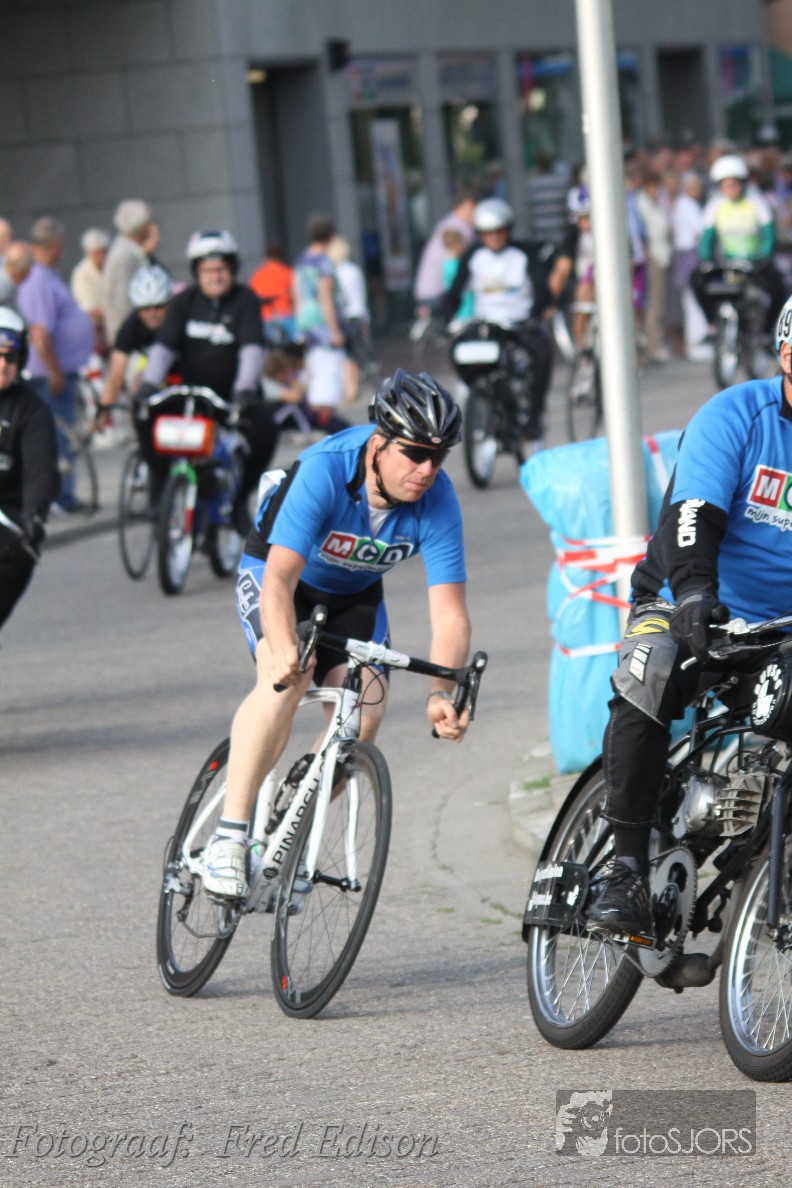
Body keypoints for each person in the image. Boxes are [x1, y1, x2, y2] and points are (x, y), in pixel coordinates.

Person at [200, 370, 471, 897]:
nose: (427, 470)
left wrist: (441, 693)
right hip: (282, 577)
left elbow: (450, 614)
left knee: (365, 714)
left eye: (439, 457)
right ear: (378, 443)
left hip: (354, 596)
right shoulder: (326, 469)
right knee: (287, 677)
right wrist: (281, 647)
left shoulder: (438, 499)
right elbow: (278, 581)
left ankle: (288, 836)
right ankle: (228, 838)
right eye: (416, 453)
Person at [586, 296, 792, 938]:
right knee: (648, 675)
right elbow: (692, 515)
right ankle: (623, 870)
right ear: (787, 355)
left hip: (782, 632)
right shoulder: (737, 415)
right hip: (686, 599)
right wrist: (697, 591)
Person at [137, 230, 276, 531]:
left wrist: (245, 389)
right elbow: (164, 347)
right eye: (208, 270)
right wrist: (149, 383)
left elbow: (252, 349)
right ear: (197, 272)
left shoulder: (245, 300)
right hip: (190, 397)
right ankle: (159, 487)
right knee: (143, 414)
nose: (215, 276)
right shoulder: (184, 302)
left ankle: (239, 501)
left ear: (232, 269)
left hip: (232, 398)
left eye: (221, 269)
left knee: (266, 431)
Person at [440, 197, 554, 450]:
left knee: (542, 354)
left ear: (508, 230)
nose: (494, 237)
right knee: (457, 348)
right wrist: (446, 318)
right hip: (486, 324)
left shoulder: (524, 254)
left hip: (519, 323)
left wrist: (534, 316)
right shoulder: (473, 256)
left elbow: (542, 291)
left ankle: (533, 420)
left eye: (499, 231)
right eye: (488, 233)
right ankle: (477, 395)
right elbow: (454, 292)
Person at [15, 218, 93, 513]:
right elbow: (40, 333)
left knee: (61, 433)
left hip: (57, 370)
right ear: (54, 245)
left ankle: (61, 492)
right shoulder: (37, 278)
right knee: (57, 435)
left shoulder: (45, 275)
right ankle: (60, 495)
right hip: (48, 373)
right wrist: (54, 372)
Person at [0, 308, 59, 631]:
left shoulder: (32, 410)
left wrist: (33, 516)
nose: (2, 365)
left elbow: (41, 470)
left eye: (9, 357)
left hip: (9, 523)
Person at [690, 154, 786, 332]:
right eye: (726, 185)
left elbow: (768, 234)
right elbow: (706, 238)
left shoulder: (755, 202)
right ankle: (712, 323)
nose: (731, 189)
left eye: (734, 184)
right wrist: (705, 259)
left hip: (755, 262)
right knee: (696, 279)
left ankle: (766, 332)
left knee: (779, 288)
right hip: (727, 262)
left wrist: (764, 256)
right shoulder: (715, 205)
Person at [96, 264, 173, 427]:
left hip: (180, 369)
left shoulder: (179, 317)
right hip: (151, 370)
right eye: (144, 308)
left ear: (169, 302)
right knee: (138, 386)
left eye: (158, 306)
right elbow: (116, 373)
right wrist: (104, 407)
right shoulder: (130, 327)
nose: (152, 313)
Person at [293, 214, 347, 422]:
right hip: (322, 322)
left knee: (315, 370)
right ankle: (325, 421)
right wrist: (335, 330)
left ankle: (317, 419)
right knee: (328, 372)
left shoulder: (302, 259)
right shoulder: (324, 261)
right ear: (331, 235)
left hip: (305, 320)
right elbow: (325, 295)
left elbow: (296, 292)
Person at [326, 234, 375, 402]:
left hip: (345, 316)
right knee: (360, 353)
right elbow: (361, 295)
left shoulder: (334, 273)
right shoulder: (354, 270)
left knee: (348, 354)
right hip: (359, 313)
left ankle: (351, 388)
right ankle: (355, 387)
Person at [262, 347, 349, 439]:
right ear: (279, 373)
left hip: (306, 417)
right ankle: (309, 433)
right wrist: (292, 383)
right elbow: (295, 397)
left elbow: (302, 390)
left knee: (338, 424)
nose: (288, 374)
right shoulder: (269, 385)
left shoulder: (279, 383)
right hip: (288, 421)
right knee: (293, 407)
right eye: (286, 372)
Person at [413, 188, 477, 310]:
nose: (474, 213)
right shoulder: (460, 228)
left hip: (427, 292)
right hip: (440, 293)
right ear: (458, 208)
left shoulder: (447, 224)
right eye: (471, 208)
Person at [101, 199, 155, 343]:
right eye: (147, 224)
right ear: (140, 227)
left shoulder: (128, 250)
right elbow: (123, 300)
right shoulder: (125, 255)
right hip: (129, 338)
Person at [70, 228, 111, 356]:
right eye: (97, 253)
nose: (101, 256)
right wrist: (113, 311)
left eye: (104, 252)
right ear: (88, 253)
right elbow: (88, 308)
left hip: (110, 327)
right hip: (93, 330)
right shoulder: (81, 274)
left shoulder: (109, 268)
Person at [248, 244, 296, 342]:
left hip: (265, 317)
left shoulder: (258, 274)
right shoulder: (287, 272)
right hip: (285, 315)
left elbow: (251, 297)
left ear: (266, 258)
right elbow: (295, 294)